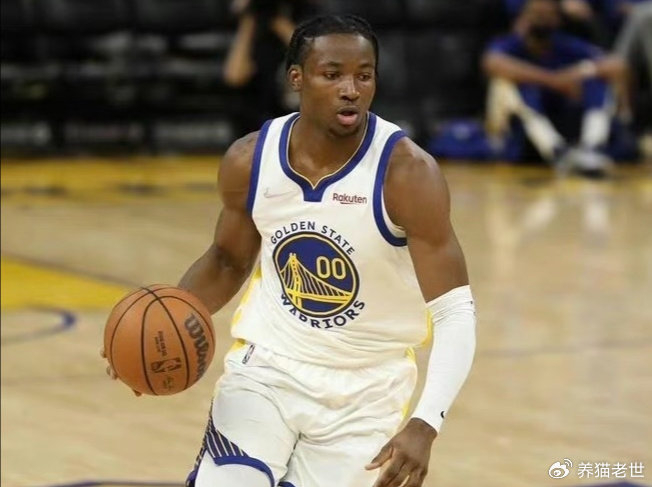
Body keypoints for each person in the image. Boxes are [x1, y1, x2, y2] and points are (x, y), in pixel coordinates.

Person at [104, 14, 476, 487]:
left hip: (367, 390)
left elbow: (454, 312)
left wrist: (426, 423)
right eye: (332, 74)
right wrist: (165, 327)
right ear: (296, 78)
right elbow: (227, 260)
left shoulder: (407, 174)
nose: (351, 89)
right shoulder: (251, 160)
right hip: (267, 372)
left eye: (364, 76)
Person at [483, 0, 627, 176]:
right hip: (527, 136)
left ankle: (593, 147)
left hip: (564, 121)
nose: (541, 19)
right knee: (511, 86)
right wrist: (553, 80)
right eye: (536, 14)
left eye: (548, 15)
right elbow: (492, 63)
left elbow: (616, 65)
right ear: (523, 17)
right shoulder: (510, 44)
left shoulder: (564, 44)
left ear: (558, 20)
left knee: (596, 82)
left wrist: (580, 72)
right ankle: (557, 152)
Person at [223, 0, 320, 135]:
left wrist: (278, 22)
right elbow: (234, 77)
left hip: (294, 115)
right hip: (258, 115)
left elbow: (315, 60)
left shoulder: (309, 14)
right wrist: (249, 17)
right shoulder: (254, 24)